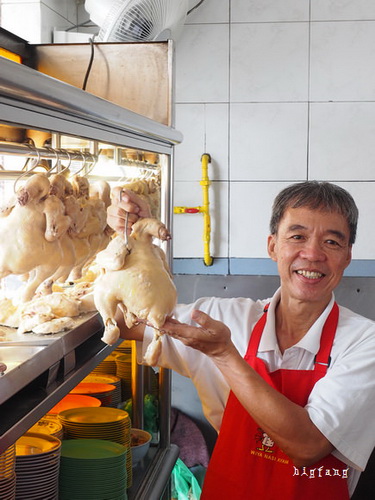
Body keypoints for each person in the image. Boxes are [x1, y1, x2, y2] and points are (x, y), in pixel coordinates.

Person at [107, 182, 375, 499]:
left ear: (347, 257)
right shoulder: (226, 318)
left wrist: (224, 355)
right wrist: (138, 249)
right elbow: (126, 322)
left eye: (331, 242)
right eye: (297, 236)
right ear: (273, 246)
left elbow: (308, 445)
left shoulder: (364, 342)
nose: (313, 254)